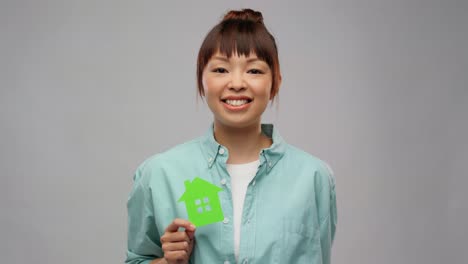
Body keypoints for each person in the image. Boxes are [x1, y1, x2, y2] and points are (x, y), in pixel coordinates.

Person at [125, 8, 337, 264]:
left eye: (254, 71)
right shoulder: (159, 174)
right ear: (201, 81)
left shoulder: (313, 178)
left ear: (276, 83)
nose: (236, 83)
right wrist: (166, 262)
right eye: (221, 70)